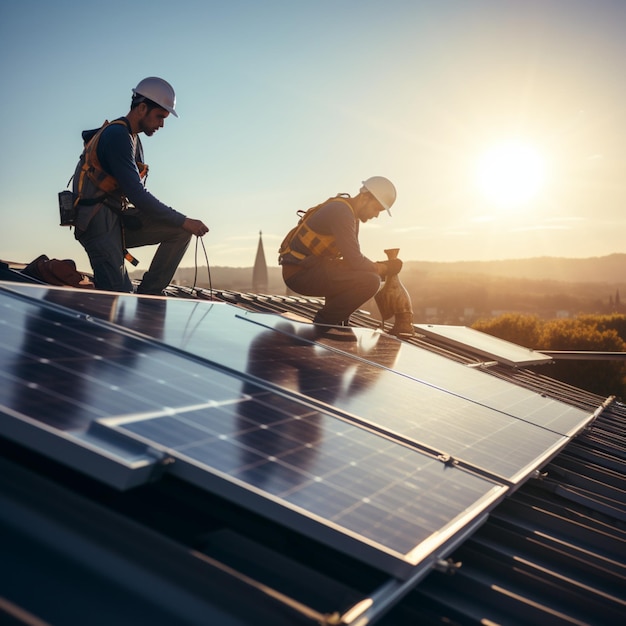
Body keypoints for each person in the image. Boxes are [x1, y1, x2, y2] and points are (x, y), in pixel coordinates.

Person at [71, 77, 209, 295]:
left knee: (179, 231)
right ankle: (132, 298)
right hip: (97, 224)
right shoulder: (118, 135)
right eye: (160, 117)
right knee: (120, 295)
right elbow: (137, 195)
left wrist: (182, 224)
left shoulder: (134, 139)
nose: (162, 124)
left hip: (117, 219)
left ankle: (149, 294)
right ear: (142, 108)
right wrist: (184, 219)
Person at [278, 176, 402, 327]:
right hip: (299, 274)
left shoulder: (350, 215)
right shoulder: (341, 212)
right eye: (377, 208)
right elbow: (355, 260)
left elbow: (351, 264)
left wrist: (379, 267)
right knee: (371, 281)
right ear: (365, 197)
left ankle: (338, 322)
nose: (376, 215)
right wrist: (384, 268)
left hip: (311, 269)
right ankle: (324, 323)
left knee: (360, 275)